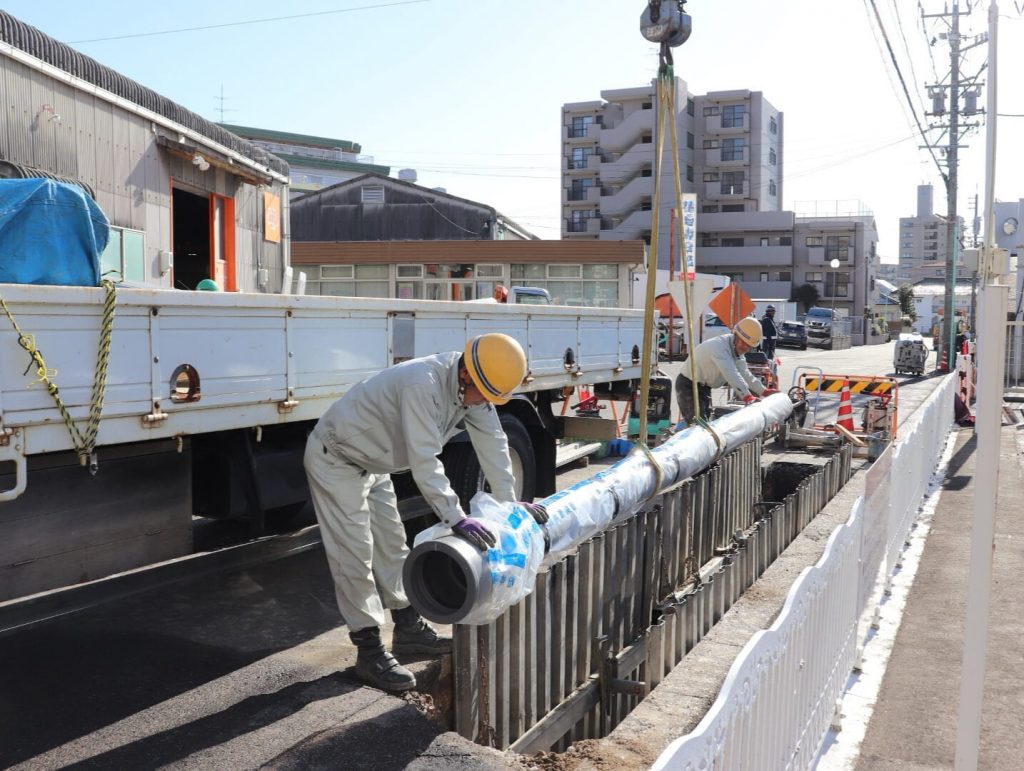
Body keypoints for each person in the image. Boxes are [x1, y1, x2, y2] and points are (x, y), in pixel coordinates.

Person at [303, 333, 548, 692]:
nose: (485, 403)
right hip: (337, 459)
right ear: (465, 375)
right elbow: (425, 462)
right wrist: (456, 517)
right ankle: (369, 651)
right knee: (354, 554)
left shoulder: (473, 387)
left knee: (392, 547)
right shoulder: (424, 384)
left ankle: (408, 631)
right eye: (484, 394)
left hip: (373, 465)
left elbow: (494, 444)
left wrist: (510, 506)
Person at [674, 317, 778, 424]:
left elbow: (745, 374)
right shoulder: (720, 347)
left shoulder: (736, 351)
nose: (745, 348)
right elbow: (731, 373)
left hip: (703, 388)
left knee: (705, 424)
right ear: (736, 335)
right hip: (688, 385)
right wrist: (747, 397)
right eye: (743, 342)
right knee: (698, 425)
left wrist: (764, 391)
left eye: (749, 346)